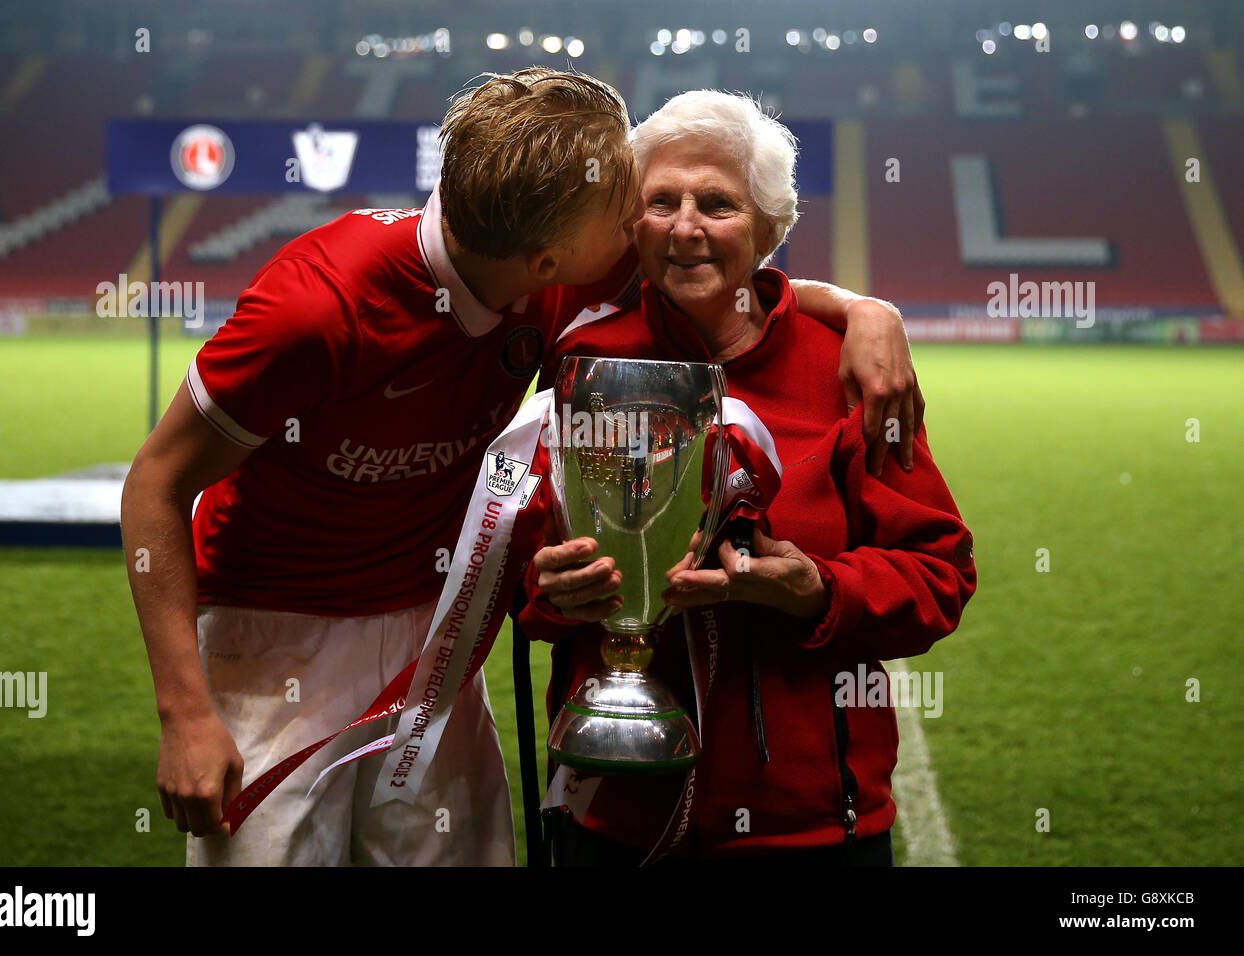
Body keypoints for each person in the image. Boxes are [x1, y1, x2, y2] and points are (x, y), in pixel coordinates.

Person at [121, 69, 923, 867]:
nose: (647, 231)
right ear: (553, 260)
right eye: (628, 212)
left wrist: (862, 310)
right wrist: (185, 714)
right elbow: (155, 484)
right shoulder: (316, 308)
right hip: (273, 637)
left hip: (432, 632)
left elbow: (727, 269)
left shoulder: (561, 272)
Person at [520, 90, 977, 865]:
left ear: (769, 228)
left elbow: (939, 576)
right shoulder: (582, 367)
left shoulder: (852, 373)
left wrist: (817, 591)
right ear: (633, 223)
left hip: (808, 831)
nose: (686, 226)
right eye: (661, 200)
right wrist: (556, 592)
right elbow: (522, 576)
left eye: (718, 203)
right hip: (614, 818)